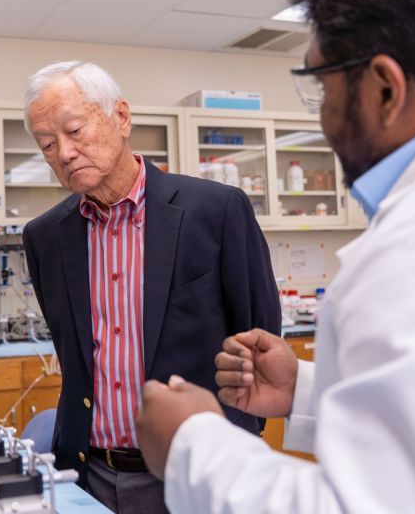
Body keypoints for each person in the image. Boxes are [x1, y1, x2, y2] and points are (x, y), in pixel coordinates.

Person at [136, 0, 415, 512]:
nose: (324, 113)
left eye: (322, 84)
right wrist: (308, 393)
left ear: (385, 89)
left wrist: (190, 444)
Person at [21, 61, 281, 514]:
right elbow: (73, 355)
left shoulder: (216, 211)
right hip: (89, 475)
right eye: (47, 144)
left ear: (121, 117)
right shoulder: (44, 237)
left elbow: (259, 337)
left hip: (197, 473)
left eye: (75, 131)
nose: (64, 152)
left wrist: (234, 440)